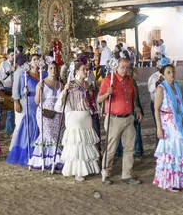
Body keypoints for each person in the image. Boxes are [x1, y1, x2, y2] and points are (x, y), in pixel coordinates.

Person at [98, 57, 143, 185]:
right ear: (116, 67)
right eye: (122, 67)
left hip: (128, 117)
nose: (125, 70)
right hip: (114, 118)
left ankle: (127, 175)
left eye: (127, 67)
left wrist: (137, 109)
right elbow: (99, 99)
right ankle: (105, 174)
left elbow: (133, 98)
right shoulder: (108, 80)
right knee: (111, 148)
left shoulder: (130, 81)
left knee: (129, 147)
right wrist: (107, 93)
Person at [153, 64, 183, 192]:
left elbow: (180, 102)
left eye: (173, 72)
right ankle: (171, 180)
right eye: (168, 72)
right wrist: (159, 128)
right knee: (172, 150)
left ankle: (181, 179)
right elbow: (156, 109)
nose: (172, 74)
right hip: (168, 124)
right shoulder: (161, 88)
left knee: (181, 149)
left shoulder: (176, 86)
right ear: (163, 75)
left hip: (179, 121)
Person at [56, 61, 100, 181]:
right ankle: (77, 170)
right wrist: (64, 91)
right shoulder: (71, 85)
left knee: (86, 141)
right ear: (76, 71)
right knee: (77, 142)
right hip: (74, 116)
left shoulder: (89, 85)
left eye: (86, 69)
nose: (86, 71)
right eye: (83, 69)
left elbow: (93, 101)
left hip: (86, 115)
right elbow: (62, 100)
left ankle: (88, 168)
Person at [7, 54, 44, 166]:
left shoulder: (43, 74)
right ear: (30, 62)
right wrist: (17, 101)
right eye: (34, 60)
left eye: (38, 60)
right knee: (28, 126)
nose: (36, 62)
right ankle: (27, 150)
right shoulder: (24, 74)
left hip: (40, 103)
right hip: (28, 102)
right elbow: (17, 89)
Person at [28, 61, 63, 170]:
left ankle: (55, 160)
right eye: (51, 68)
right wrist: (38, 89)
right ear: (47, 70)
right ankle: (45, 160)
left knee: (55, 135)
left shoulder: (60, 84)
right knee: (48, 135)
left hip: (57, 113)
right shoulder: (42, 83)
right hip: (44, 113)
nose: (53, 71)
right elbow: (37, 101)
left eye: (55, 69)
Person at [116, 67, 144, 158]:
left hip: (132, 110)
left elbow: (135, 98)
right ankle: (121, 151)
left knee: (133, 131)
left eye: (127, 69)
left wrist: (137, 109)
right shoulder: (116, 81)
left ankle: (135, 150)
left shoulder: (132, 82)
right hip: (121, 112)